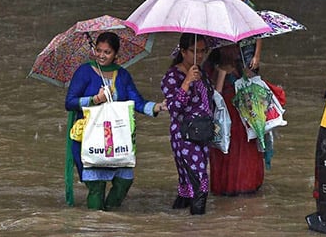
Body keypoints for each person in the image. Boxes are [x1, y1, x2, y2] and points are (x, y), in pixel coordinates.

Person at [64, 31, 165, 210]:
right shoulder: (84, 72)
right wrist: (95, 99)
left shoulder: (123, 75)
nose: (101, 55)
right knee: (96, 186)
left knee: (124, 181)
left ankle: (110, 218)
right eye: (99, 50)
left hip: (118, 136)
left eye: (107, 52)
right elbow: (70, 102)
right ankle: (97, 226)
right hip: (89, 136)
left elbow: (136, 102)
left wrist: (157, 107)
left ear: (116, 54)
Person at [161, 33, 214, 214]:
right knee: (199, 181)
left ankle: (181, 223)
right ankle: (199, 226)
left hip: (203, 133)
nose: (199, 56)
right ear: (183, 52)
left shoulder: (203, 74)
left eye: (202, 51)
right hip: (184, 135)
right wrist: (187, 81)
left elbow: (209, 102)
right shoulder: (172, 76)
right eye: (194, 51)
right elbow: (174, 108)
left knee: (187, 184)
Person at [208, 45, 264, 195]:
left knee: (245, 146)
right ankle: (228, 185)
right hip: (224, 117)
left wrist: (255, 58)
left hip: (242, 116)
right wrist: (222, 74)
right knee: (227, 147)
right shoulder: (213, 68)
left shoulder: (245, 65)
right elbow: (215, 96)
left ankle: (247, 183)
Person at [228, 0, 263, 72]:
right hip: (234, 47)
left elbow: (259, 33)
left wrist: (256, 56)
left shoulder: (249, 8)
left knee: (251, 76)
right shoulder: (230, 5)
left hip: (248, 48)